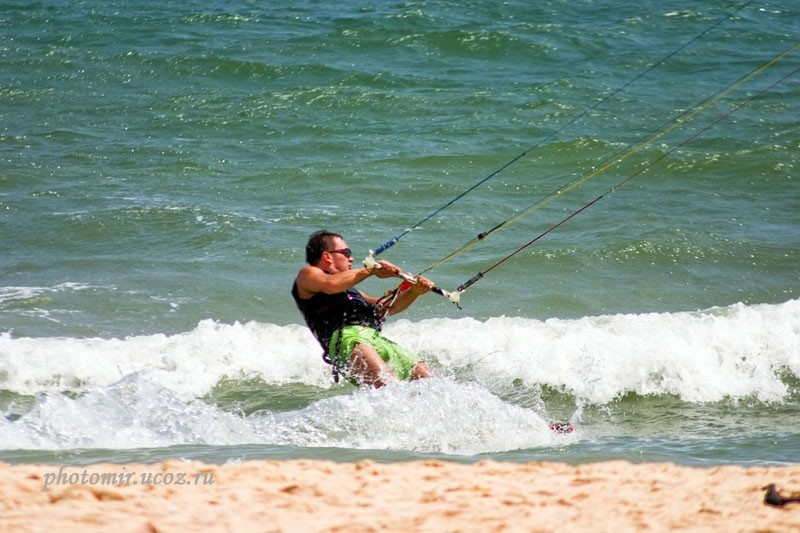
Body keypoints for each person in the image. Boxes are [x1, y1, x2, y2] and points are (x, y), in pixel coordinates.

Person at [292, 230, 434, 387]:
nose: (351, 258)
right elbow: (331, 284)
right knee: (388, 386)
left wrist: (414, 291)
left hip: (375, 339)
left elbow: (386, 308)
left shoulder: (352, 291)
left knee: (428, 381)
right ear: (327, 256)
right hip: (347, 340)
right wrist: (371, 270)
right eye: (346, 252)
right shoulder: (308, 275)